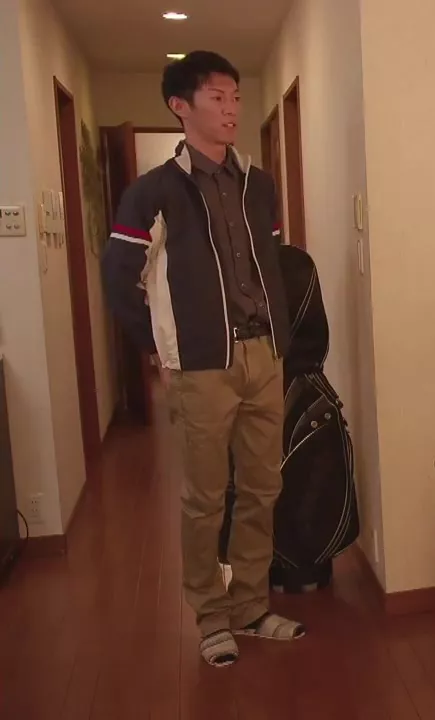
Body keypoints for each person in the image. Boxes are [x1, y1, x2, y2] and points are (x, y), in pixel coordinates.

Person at [101, 50, 305, 667]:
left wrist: (281, 338)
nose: (231, 109)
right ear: (180, 106)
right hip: (201, 366)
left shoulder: (259, 184)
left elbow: (273, 262)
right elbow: (119, 276)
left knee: (263, 487)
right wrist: (161, 349)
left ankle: (250, 607)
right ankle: (211, 617)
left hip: (263, 355)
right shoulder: (153, 193)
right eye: (217, 97)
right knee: (205, 497)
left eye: (236, 97)